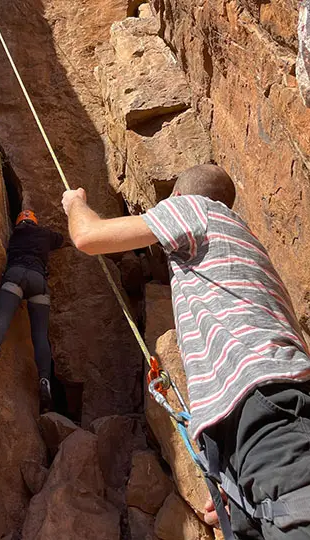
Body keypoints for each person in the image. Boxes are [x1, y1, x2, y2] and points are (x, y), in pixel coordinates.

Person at [61, 164, 310, 540]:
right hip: (261, 431)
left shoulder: (196, 209)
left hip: (268, 420)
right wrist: (236, 480)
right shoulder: (245, 253)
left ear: (176, 199)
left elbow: (88, 237)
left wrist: (75, 203)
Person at [0, 209, 63, 414]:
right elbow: (61, 240)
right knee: (40, 335)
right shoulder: (44, 234)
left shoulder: (14, 235)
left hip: (15, 275)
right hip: (38, 281)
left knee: (3, 316)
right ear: (34, 221)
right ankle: (44, 379)